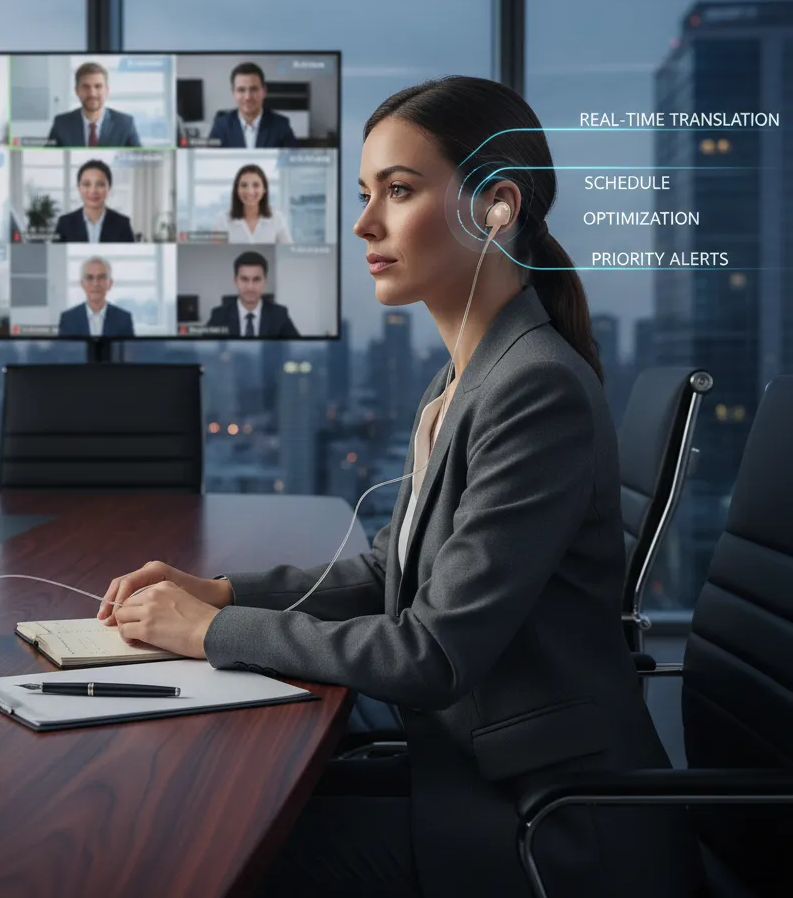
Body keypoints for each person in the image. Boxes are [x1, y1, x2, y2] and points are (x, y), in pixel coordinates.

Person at [94, 76, 706, 898]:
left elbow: (432, 650)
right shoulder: (462, 380)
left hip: (543, 821)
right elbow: (390, 576)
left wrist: (211, 631)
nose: (363, 224)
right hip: (472, 767)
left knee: (202, 857)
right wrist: (219, 590)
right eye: (364, 193)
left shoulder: (534, 388)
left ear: (496, 207)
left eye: (399, 190)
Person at [204, 252, 299, 338]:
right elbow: (202, 349)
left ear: (265, 282)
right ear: (236, 281)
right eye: (244, 279)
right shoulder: (219, 315)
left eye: (256, 279)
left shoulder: (279, 315)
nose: (250, 287)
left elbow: (297, 348)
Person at [46, 62, 141, 147]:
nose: (92, 93)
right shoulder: (61, 124)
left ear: (107, 91)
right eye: (86, 87)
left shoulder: (125, 124)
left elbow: (139, 161)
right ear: (77, 91)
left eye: (98, 86)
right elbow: (47, 157)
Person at [207, 62, 297, 149]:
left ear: (264, 91)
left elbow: (293, 162)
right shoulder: (221, 126)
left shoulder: (281, 125)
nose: (248, 97)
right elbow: (209, 161)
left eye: (253, 89)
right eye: (241, 90)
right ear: (233, 93)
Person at [53, 160, 134, 242]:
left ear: (109, 188)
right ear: (79, 188)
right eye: (86, 184)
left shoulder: (122, 224)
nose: (93, 191)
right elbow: (56, 254)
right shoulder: (65, 223)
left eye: (100, 184)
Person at [210, 164, 292, 244]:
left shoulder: (277, 219)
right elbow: (215, 255)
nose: (250, 191)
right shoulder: (221, 221)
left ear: (264, 189)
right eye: (244, 185)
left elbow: (287, 253)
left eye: (256, 185)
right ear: (237, 189)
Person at [58, 256, 135, 337]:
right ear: (82, 284)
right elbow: (64, 349)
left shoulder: (124, 319)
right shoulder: (68, 319)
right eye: (90, 278)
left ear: (110, 284)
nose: (95, 283)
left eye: (101, 277)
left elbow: (129, 349)